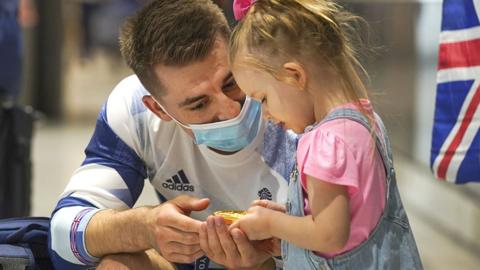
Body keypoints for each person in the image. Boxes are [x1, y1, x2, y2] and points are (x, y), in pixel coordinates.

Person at [48, 0, 296, 269]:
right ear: (158, 108)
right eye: (199, 104)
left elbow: (343, 251)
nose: (229, 110)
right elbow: (63, 237)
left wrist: (274, 256)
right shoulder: (134, 111)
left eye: (231, 83)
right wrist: (144, 227)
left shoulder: (294, 98)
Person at [226, 0, 423, 269]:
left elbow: (330, 236)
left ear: (294, 76)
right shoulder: (366, 120)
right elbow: (354, 220)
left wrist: (272, 223)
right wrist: (292, 222)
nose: (266, 114)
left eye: (262, 99)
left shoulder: (324, 142)